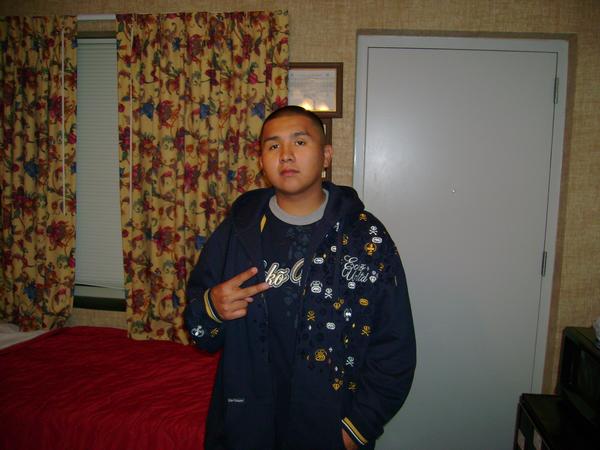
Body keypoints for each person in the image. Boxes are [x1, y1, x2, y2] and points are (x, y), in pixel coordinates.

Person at [185, 106, 416, 450]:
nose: (286, 155)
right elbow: (199, 329)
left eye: (300, 142)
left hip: (328, 427)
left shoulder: (364, 237)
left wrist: (357, 428)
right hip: (248, 427)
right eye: (273, 146)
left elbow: (395, 345)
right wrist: (212, 308)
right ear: (261, 161)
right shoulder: (237, 230)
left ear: (326, 156)